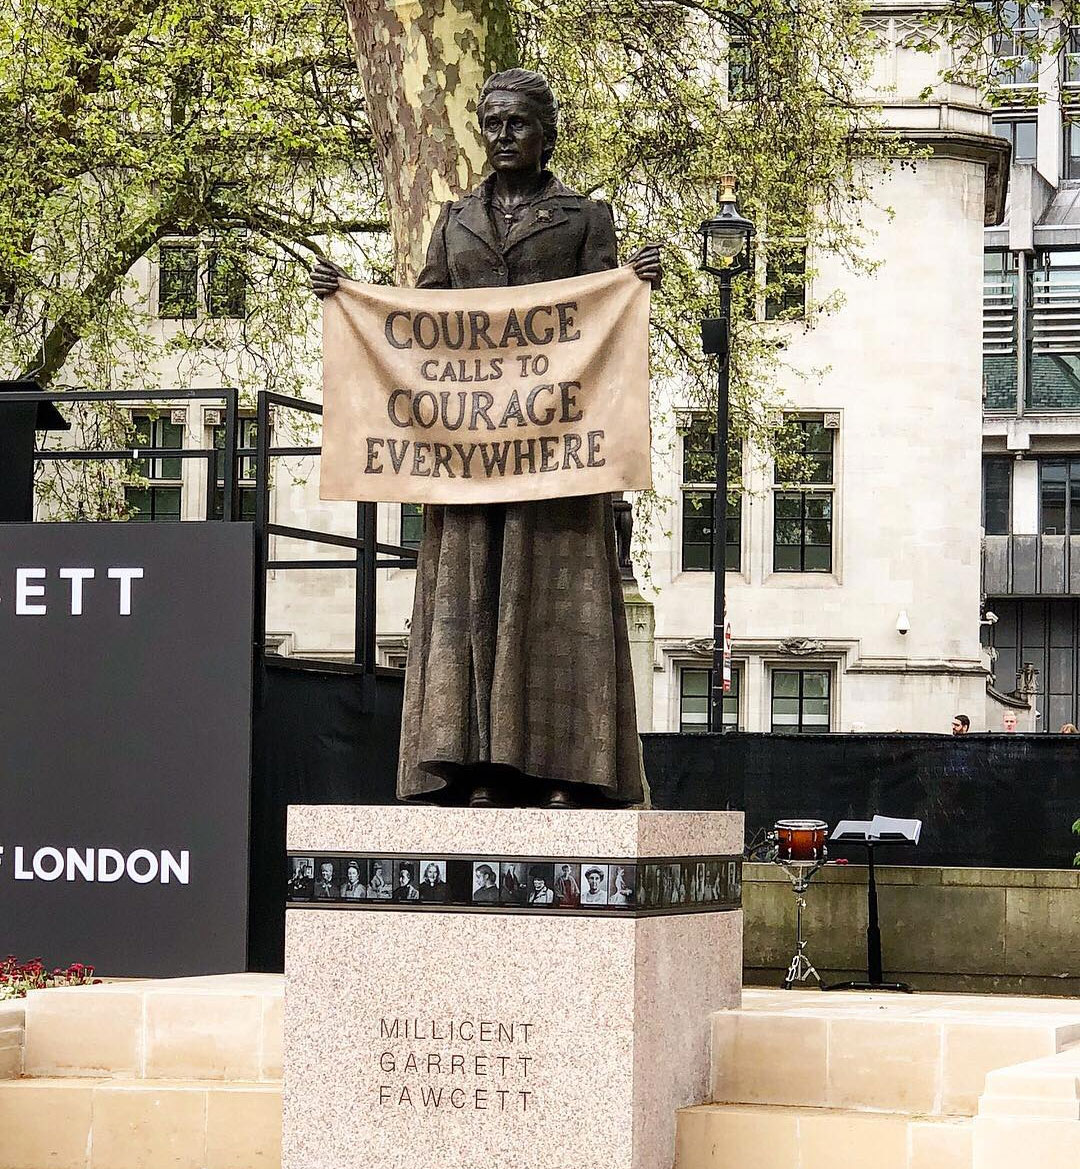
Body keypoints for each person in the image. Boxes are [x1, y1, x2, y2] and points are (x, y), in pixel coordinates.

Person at [312, 68, 660, 811]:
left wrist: (634, 283)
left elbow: (603, 321)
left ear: (547, 134)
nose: (503, 137)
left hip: (558, 458)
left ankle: (568, 770)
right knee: (465, 606)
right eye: (493, 123)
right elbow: (418, 324)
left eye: (518, 125)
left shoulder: (584, 218)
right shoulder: (453, 221)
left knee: (559, 609)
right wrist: (351, 299)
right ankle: (471, 765)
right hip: (469, 462)